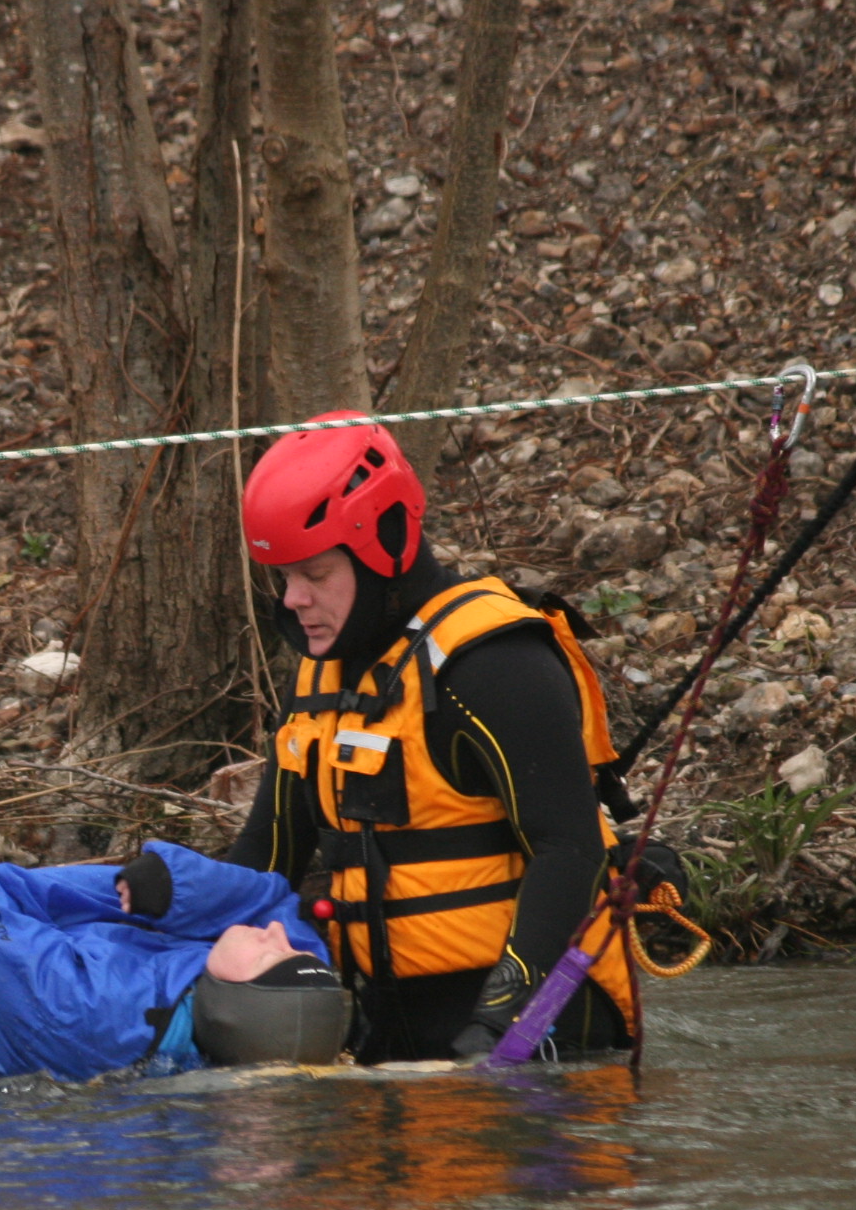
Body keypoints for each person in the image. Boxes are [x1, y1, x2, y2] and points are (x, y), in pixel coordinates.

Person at [227, 412, 649, 1064]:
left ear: (383, 544)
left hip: (540, 1036)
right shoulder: (320, 674)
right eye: (283, 578)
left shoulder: (496, 666)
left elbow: (569, 847)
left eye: (313, 574)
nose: (292, 600)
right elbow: (266, 853)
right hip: (389, 1031)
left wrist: (503, 1020)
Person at [0, 840, 347, 1082]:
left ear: (235, 1003)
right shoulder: (264, 1006)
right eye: (295, 949)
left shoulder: (82, 1011)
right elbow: (278, 904)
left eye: (274, 952)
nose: (278, 933)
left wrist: (120, 891)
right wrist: (178, 889)